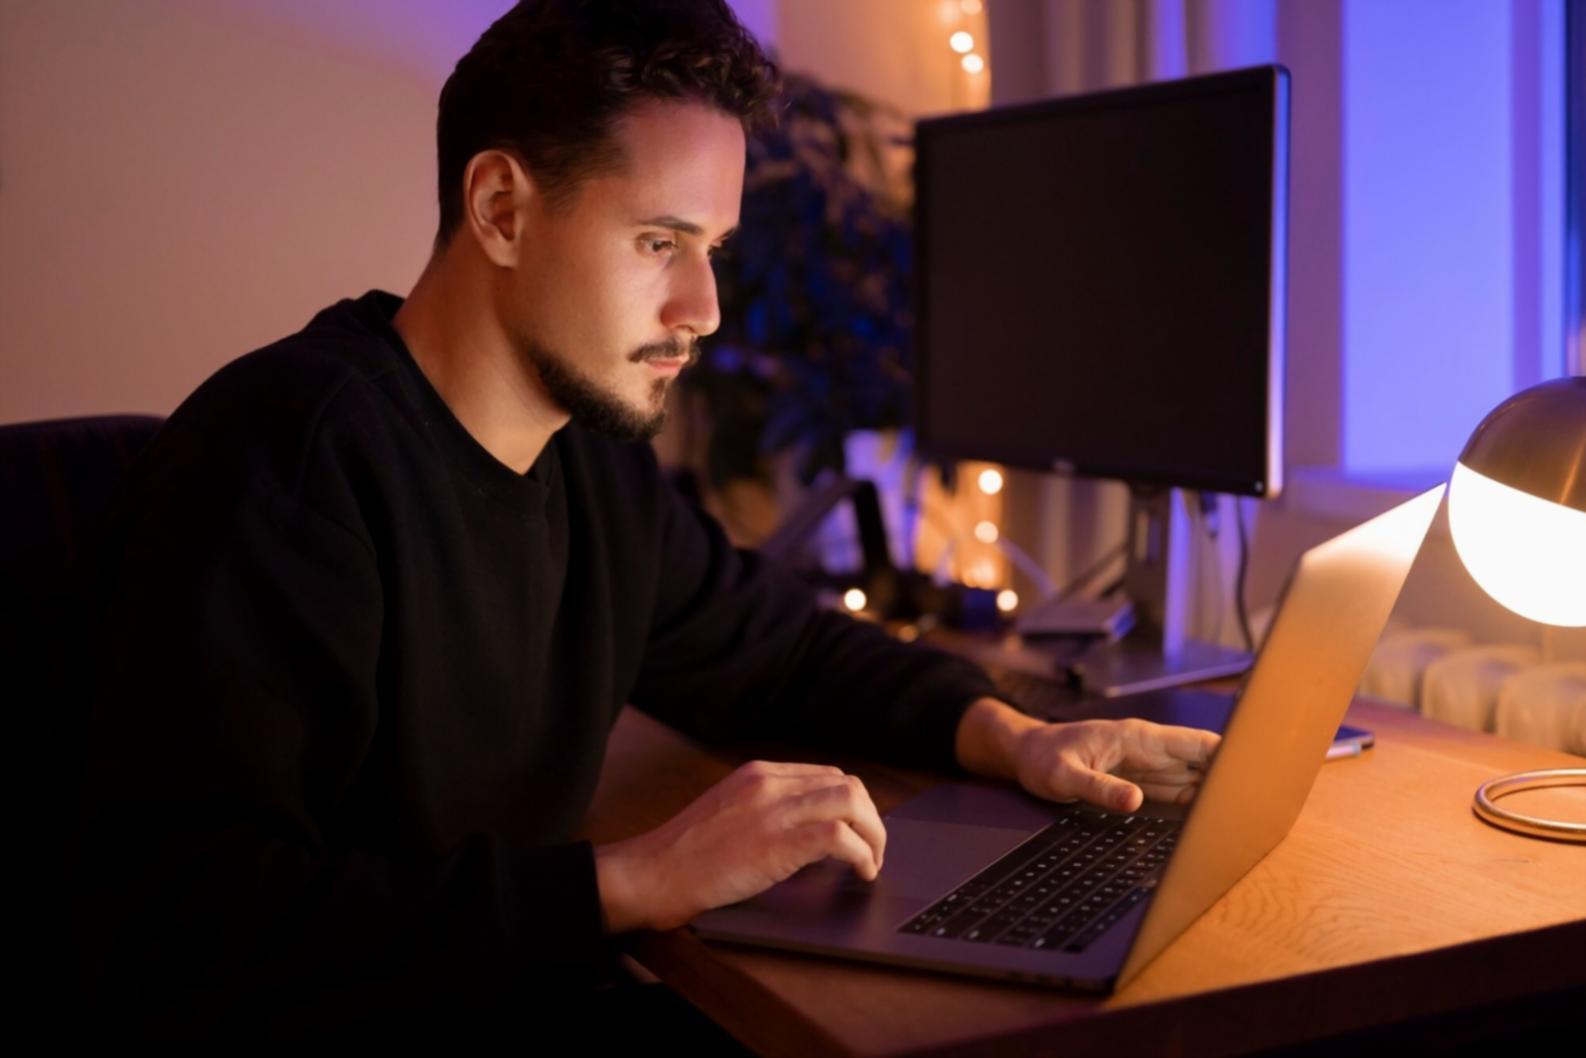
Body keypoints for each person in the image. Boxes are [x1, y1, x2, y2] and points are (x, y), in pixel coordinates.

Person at [69, 0, 1218, 1043]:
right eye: (658, 242)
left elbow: (779, 651)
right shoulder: (288, 457)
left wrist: (1011, 735)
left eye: (711, 251)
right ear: (501, 209)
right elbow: (194, 922)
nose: (703, 308)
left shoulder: (588, 457)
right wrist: (637, 876)